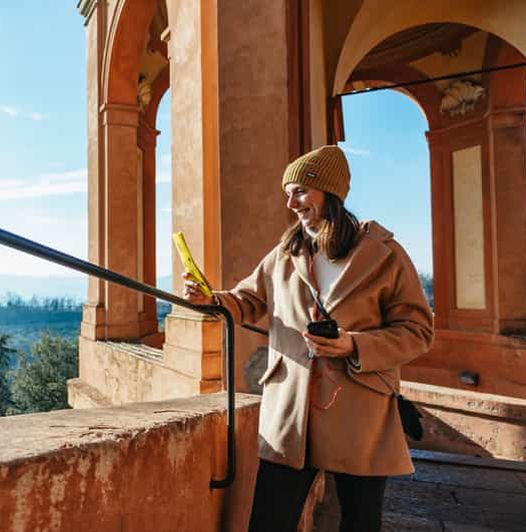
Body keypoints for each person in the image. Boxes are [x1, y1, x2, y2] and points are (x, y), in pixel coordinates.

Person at [183, 145, 434, 532]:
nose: (291, 203)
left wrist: (354, 345)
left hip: (361, 411)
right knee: (269, 522)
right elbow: (246, 301)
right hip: (291, 411)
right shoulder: (285, 253)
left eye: (300, 191)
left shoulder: (385, 254)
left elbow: (417, 331)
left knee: (361, 522)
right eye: (288, 193)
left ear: (329, 192)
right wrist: (211, 300)